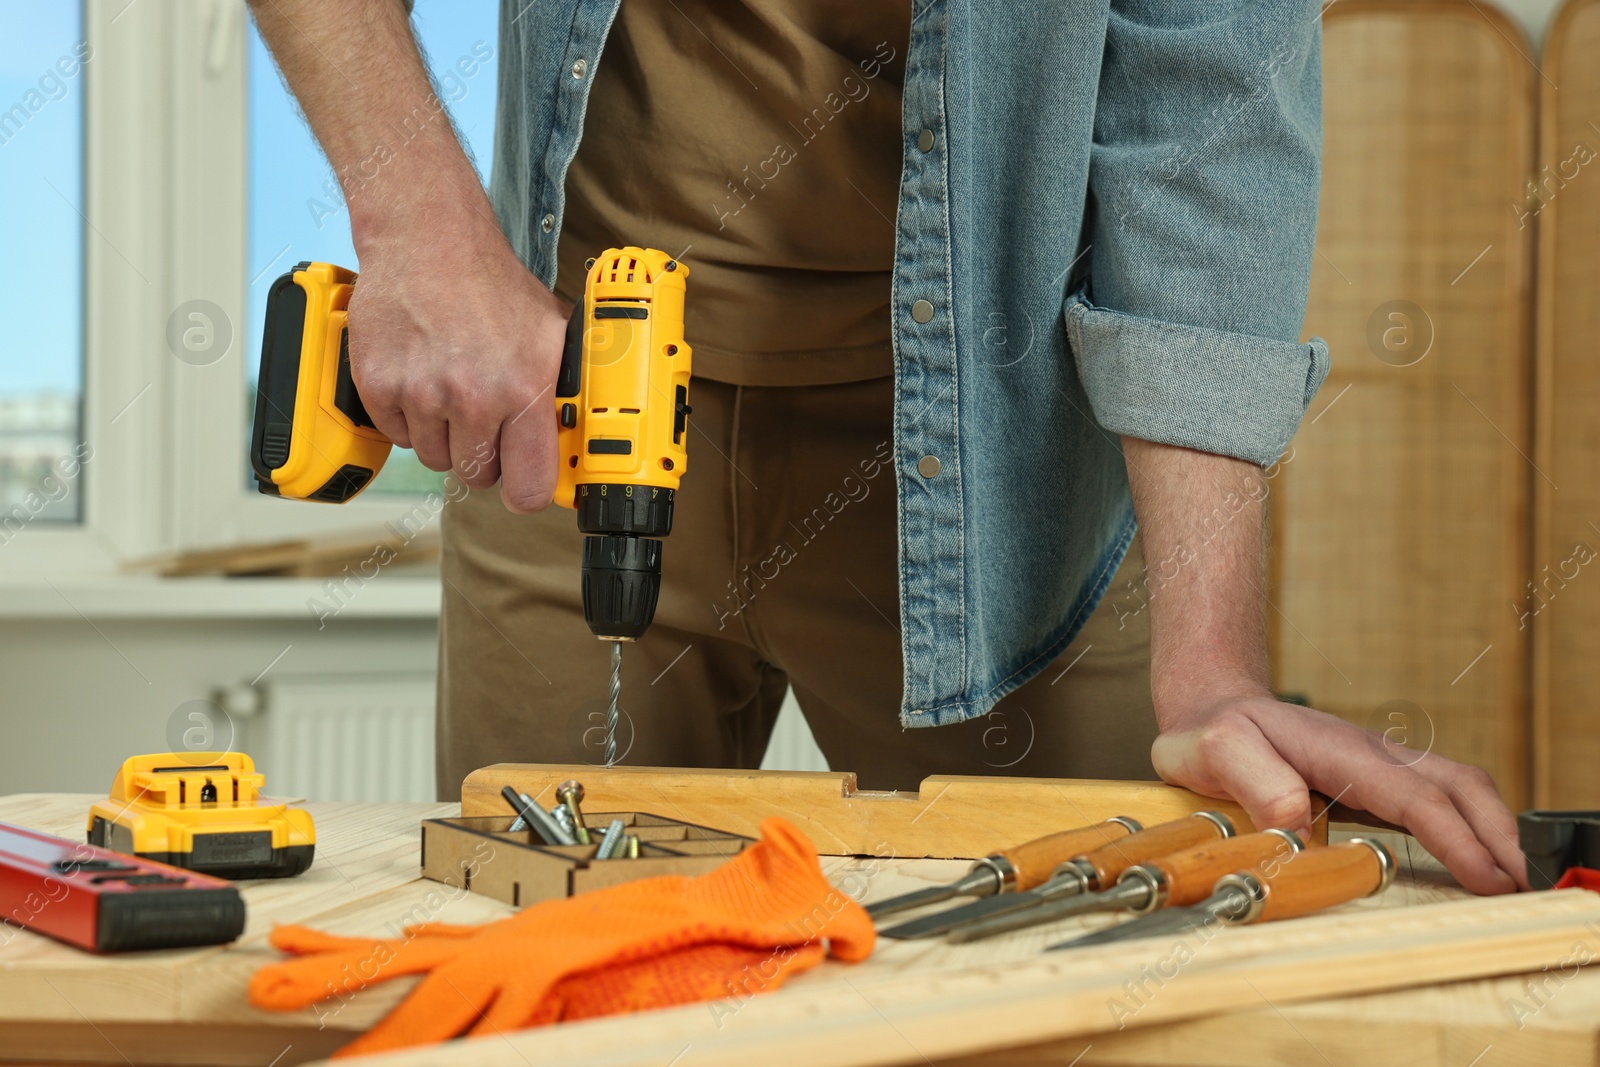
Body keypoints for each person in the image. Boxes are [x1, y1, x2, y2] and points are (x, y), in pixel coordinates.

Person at [250, 0, 1530, 895]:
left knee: (1074, 979)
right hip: (566, 432)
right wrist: (423, 236)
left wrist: (1209, 668)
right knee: (538, 976)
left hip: (1002, 471)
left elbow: (1204, 118)